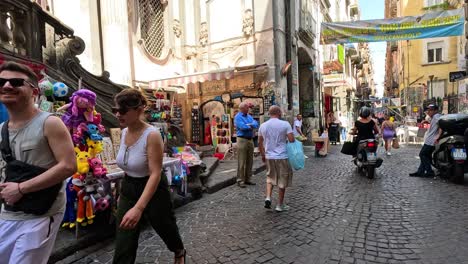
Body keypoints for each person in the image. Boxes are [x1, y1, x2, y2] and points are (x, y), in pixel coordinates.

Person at [0, 61, 76, 264]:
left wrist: (21, 189)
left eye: (16, 82)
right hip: (8, 213)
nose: (7, 86)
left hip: (40, 214)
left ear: (34, 92)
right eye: (2, 81)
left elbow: (68, 166)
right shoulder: (1, 129)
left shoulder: (50, 123)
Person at [112, 89, 185, 264]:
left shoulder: (151, 135)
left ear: (138, 110)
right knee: (124, 239)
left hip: (153, 187)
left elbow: (155, 173)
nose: (117, 115)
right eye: (116, 110)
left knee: (164, 225)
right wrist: (123, 192)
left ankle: (179, 250)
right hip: (129, 186)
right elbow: (128, 166)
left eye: (122, 111)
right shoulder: (123, 133)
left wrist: (138, 208)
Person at [258, 106, 295, 212]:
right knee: (282, 180)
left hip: (269, 156)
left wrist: (263, 154)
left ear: (269, 114)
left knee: (270, 177)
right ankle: (279, 205)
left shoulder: (263, 126)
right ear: (279, 113)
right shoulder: (285, 124)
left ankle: (268, 197)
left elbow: (260, 142)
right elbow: (292, 140)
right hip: (282, 156)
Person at [409, 104, 442, 178]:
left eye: (431, 110)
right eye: (428, 110)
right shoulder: (434, 117)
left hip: (431, 141)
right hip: (430, 140)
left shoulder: (437, 116)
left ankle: (429, 172)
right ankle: (420, 171)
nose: (429, 112)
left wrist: (438, 136)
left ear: (436, 110)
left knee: (422, 154)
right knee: (426, 156)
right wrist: (428, 123)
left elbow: (441, 126)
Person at [234, 102, 259, 188]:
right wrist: (251, 126)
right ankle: (240, 180)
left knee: (250, 160)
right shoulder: (238, 117)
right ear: (242, 108)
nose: (248, 109)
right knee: (241, 161)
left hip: (250, 139)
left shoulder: (249, 116)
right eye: (246, 108)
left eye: (248, 108)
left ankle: (248, 179)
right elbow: (242, 127)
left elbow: (256, 123)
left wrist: (250, 125)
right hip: (242, 139)